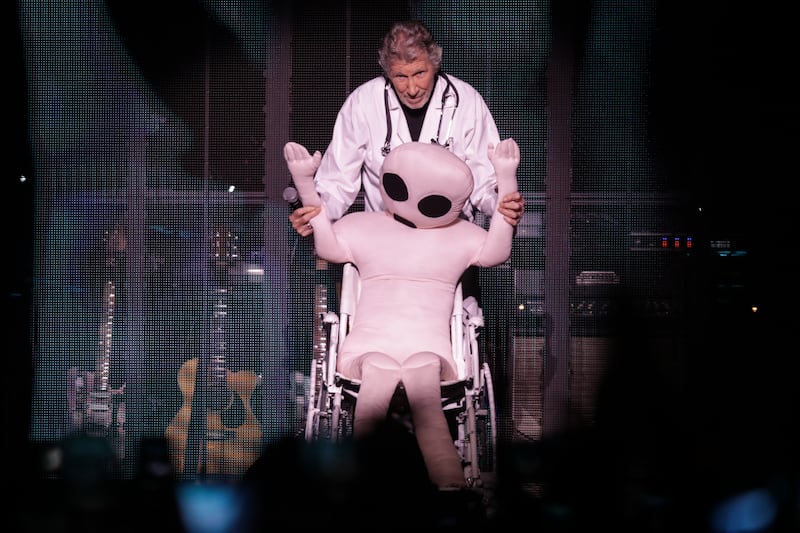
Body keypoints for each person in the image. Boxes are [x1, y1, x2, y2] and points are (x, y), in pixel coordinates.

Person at [288, 19, 525, 240]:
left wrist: (502, 206)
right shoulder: (362, 102)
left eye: (420, 74)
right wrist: (315, 216)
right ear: (387, 72)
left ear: (435, 64)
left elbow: (484, 180)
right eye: (400, 76)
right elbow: (337, 181)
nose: (412, 88)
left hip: (451, 243)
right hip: (384, 243)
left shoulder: (467, 100)